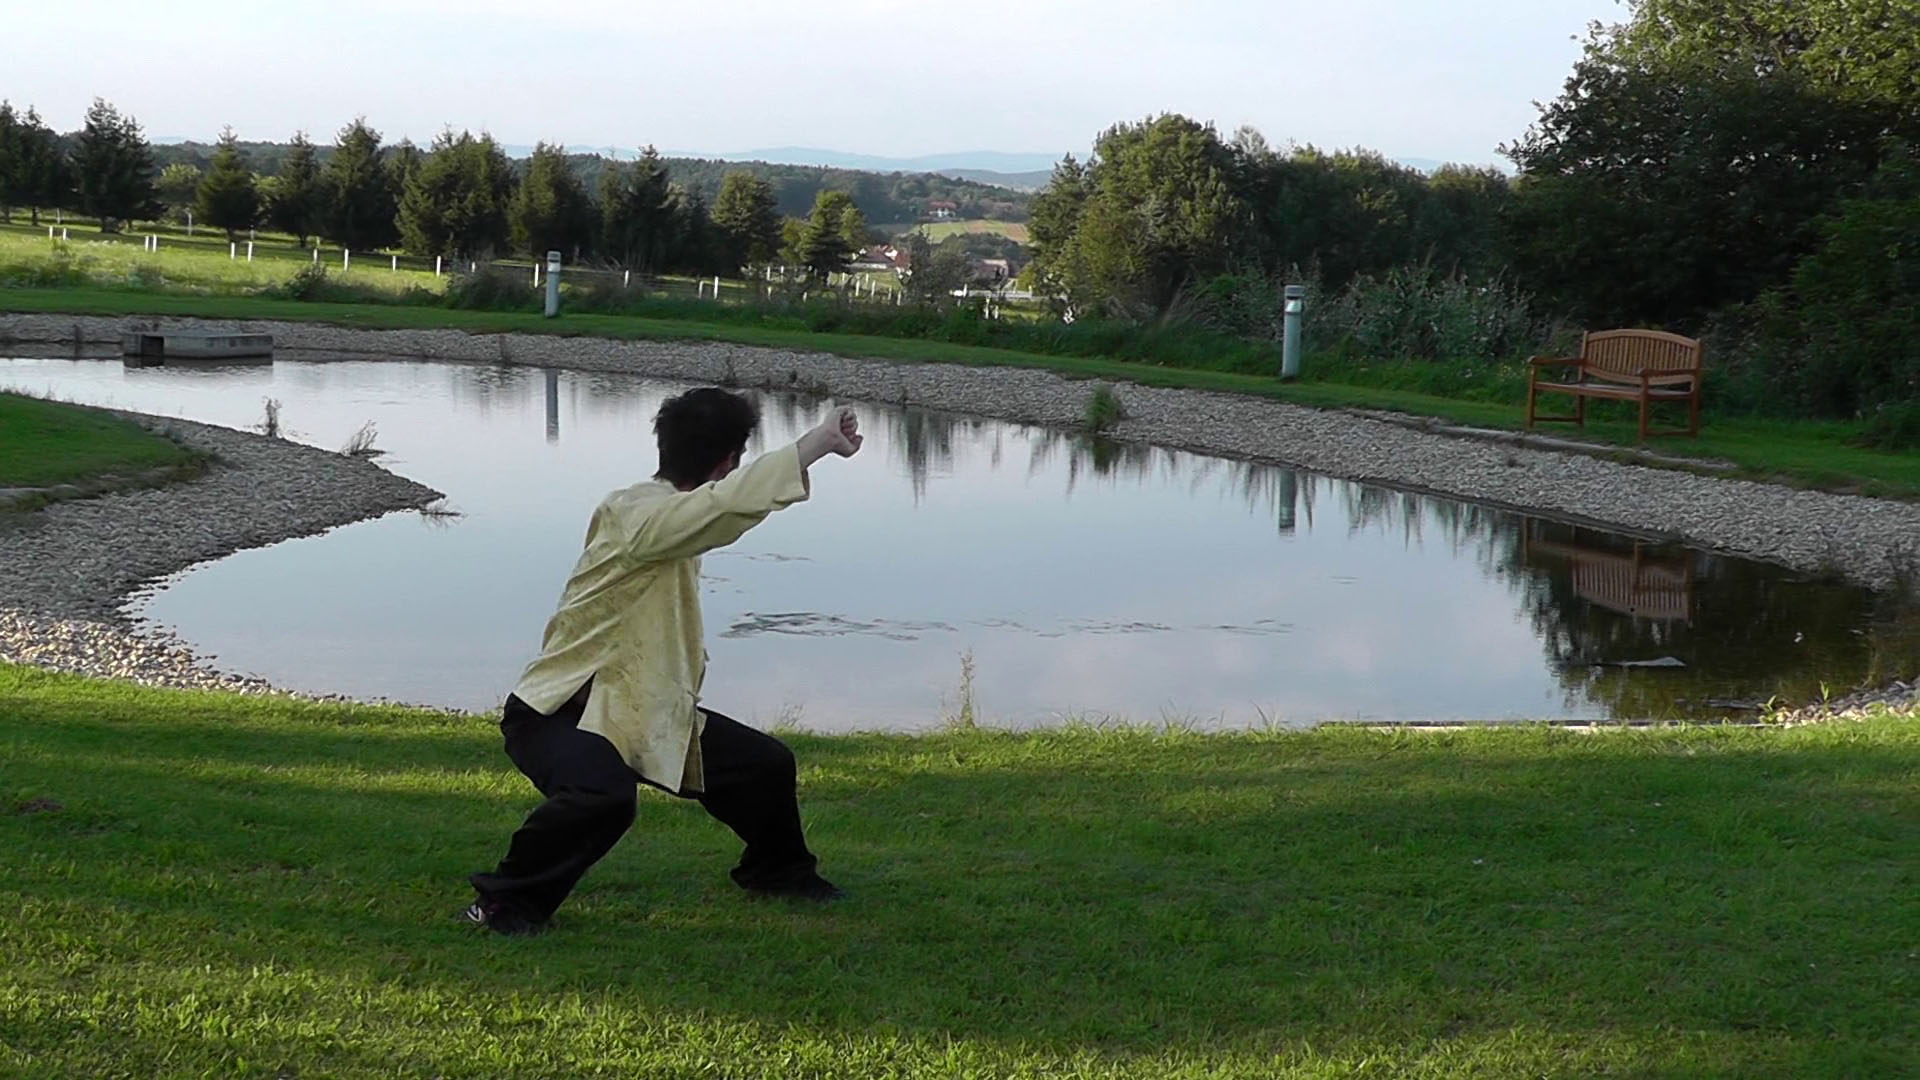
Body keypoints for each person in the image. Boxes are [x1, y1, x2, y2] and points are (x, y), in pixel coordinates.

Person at [465, 388, 863, 936]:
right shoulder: (639, 515)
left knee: (764, 765)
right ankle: (503, 903)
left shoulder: (657, 510)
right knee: (601, 796)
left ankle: (777, 872)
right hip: (557, 711)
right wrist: (814, 444)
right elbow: (717, 509)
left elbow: (711, 513)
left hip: (639, 709)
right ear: (728, 461)